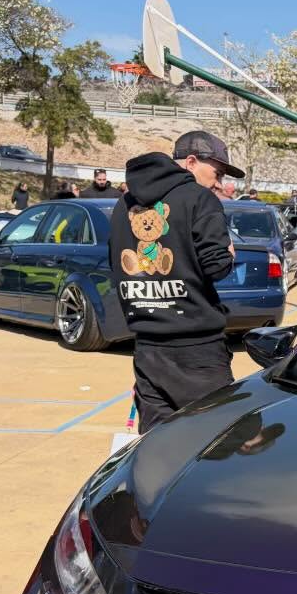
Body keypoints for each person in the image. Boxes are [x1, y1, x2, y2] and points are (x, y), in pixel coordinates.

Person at [110, 131, 239, 433]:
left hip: (147, 348)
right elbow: (217, 266)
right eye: (217, 172)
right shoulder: (199, 198)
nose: (218, 182)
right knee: (215, 445)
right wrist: (228, 251)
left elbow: (115, 268)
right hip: (197, 349)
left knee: (158, 448)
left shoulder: (123, 204)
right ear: (191, 162)